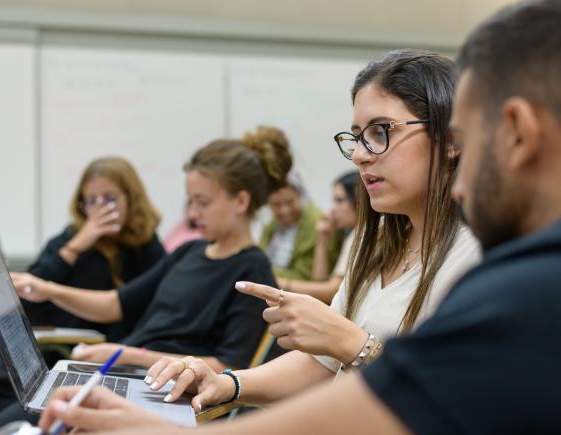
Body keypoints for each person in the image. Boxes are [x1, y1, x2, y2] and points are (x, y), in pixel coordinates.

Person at [37, 1, 561, 434]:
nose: (359, 155)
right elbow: (325, 367)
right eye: (356, 138)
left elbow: (413, 393)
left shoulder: (492, 265)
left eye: (381, 132)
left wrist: (349, 342)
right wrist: (233, 384)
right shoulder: (373, 240)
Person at [0, 137, 291, 432]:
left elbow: (228, 366)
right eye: (191, 202)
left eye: (203, 203)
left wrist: (124, 353)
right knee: (16, 415)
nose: (193, 214)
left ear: (240, 201)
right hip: (134, 376)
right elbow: (116, 304)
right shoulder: (189, 252)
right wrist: (49, 290)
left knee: (18, 420)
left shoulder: (252, 269)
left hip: (164, 388)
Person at [22, 157, 165, 338]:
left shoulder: (146, 244)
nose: (100, 209)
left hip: (116, 350)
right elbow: (27, 294)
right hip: (57, 345)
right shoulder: (70, 237)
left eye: (109, 199)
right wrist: (75, 247)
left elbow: (150, 305)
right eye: (91, 200)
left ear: (130, 199)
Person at [253, 127, 332, 281]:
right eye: (276, 205)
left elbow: (309, 277)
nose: (284, 210)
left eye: (290, 202)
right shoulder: (273, 224)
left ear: (300, 196)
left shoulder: (317, 223)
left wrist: (265, 275)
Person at [276, 171, 358, 304]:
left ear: (359, 201)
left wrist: (278, 283)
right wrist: (322, 240)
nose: (332, 210)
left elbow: (332, 292)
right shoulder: (352, 233)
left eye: (339, 201)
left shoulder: (359, 234)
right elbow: (319, 280)